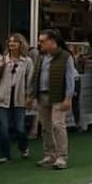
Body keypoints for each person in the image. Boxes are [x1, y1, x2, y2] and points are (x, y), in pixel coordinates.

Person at [29, 30, 76, 170]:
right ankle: (50, 154)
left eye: (43, 41)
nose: (39, 43)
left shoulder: (65, 56)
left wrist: (68, 98)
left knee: (58, 125)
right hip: (42, 95)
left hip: (59, 96)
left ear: (52, 41)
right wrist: (30, 95)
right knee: (45, 127)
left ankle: (62, 156)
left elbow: (70, 79)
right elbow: (34, 76)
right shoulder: (41, 57)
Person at [0, 33, 34, 163]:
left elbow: (30, 80)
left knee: (20, 128)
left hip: (19, 97)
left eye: (15, 42)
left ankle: (24, 146)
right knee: (4, 128)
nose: (12, 44)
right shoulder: (2, 59)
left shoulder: (27, 61)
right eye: (10, 42)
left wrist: (29, 96)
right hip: (2, 96)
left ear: (21, 44)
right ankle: (4, 154)